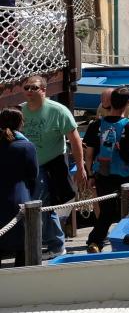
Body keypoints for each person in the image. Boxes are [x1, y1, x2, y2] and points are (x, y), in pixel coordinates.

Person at [18, 75, 83, 259]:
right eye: (27, 87)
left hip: (51, 163)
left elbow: (74, 139)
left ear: (44, 90)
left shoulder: (58, 111)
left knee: (41, 204)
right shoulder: (20, 111)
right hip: (27, 167)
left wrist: (80, 166)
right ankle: (50, 243)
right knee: (38, 206)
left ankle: (52, 244)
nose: (29, 91)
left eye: (34, 88)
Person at [83, 88, 129, 253]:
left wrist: (90, 174)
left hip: (102, 174)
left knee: (107, 211)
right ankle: (128, 241)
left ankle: (95, 241)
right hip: (127, 175)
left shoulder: (95, 125)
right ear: (127, 104)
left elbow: (88, 155)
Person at [0, 108, 37, 266]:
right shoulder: (26, 147)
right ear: (20, 124)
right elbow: (33, 175)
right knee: (23, 246)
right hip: (18, 198)